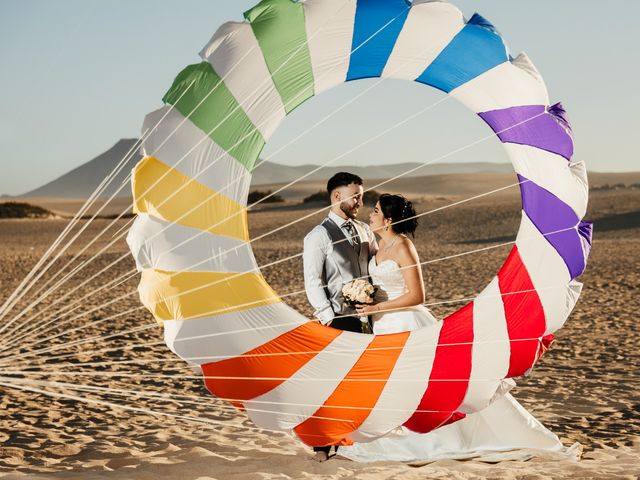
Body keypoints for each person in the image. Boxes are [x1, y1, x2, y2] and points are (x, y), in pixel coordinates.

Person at [336, 194, 574, 462]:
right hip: (382, 326)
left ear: (389, 220)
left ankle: (438, 439)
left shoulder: (403, 246)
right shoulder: (377, 246)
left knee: (423, 386)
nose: (371, 214)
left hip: (405, 322)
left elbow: (417, 295)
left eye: (376, 211)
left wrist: (377, 308)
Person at [303, 172, 378, 462]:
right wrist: (328, 318)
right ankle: (323, 444)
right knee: (332, 383)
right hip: (337, 318)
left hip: (368, 317)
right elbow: (312, 280)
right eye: (356, 195)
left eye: (361, 194)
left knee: (360, 382)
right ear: (337, 196)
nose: (360, 200)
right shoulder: (319, 235)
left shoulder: (363, 229)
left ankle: (352, 439)